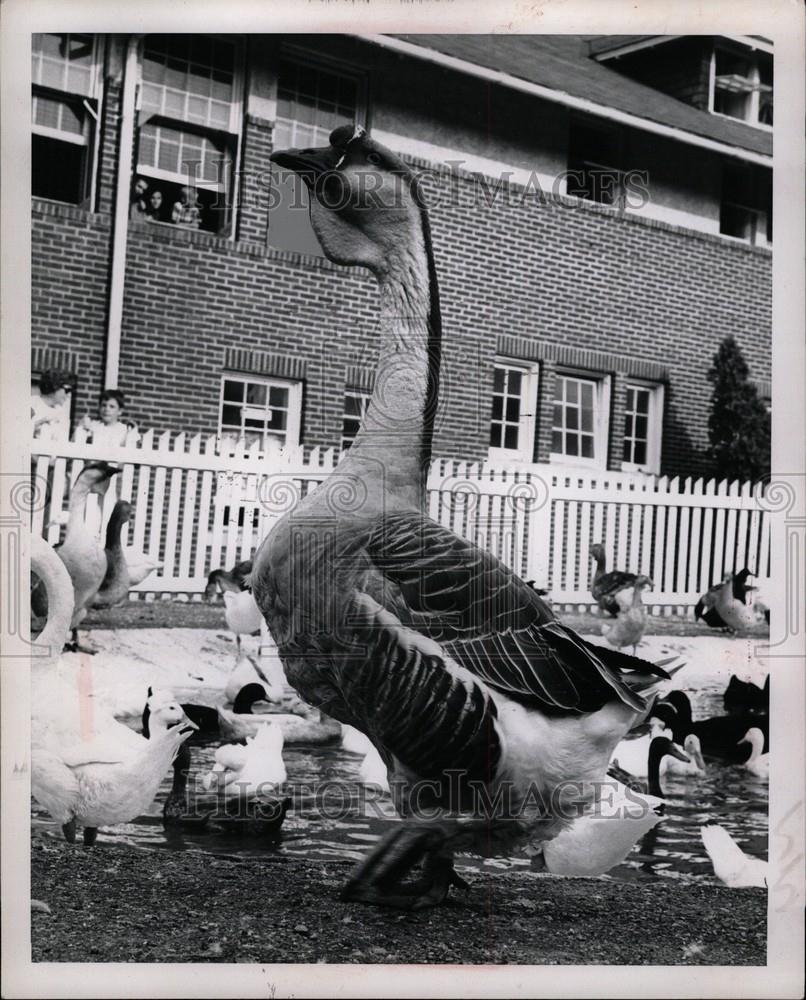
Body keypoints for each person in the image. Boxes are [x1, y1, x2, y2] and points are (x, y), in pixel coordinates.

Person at [32, 369, 73, 442]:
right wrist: (36, 425)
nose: (69, 395)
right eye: (67, 390)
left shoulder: (62, 413)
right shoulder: (32, 404)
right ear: (55, 386)